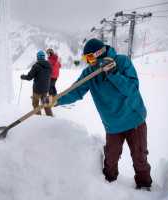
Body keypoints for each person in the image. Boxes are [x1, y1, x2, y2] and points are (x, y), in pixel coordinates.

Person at [48, 38, 152, 189]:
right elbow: (76, 91)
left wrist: (114, 73)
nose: (89, 62)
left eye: (90, 58)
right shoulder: (90, 72)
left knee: (139, 157)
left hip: (134, 119)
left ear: (100, 54)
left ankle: (144, 187)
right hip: (113, 125)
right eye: (86, 59)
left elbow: (132, 89)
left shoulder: (122, 62)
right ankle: (107, 188)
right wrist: (55, 100)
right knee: (110, 160)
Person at [21, 50, 53, 117]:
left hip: (37, 90)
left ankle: (39, 119)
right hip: (46, 88)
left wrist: (23, 76)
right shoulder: (49, 65)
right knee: (46, 104)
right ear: (44, 57)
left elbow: (29, 77)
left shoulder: (36, 66)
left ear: (38, 57)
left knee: (35, 104)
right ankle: (50, 117)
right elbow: (50, 74)